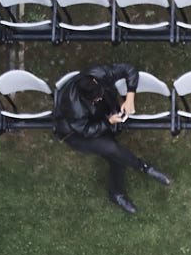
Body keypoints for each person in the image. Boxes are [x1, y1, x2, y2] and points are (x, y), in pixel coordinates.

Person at [54, 62, 171, 215]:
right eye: (95, 100)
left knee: (117, 158)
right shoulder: (73, 106)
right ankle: (144, 168)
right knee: (112, 148)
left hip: (98, 119)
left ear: (95, 81)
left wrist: (130, 97)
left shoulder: (98, 73)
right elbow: (86, 130)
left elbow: (129, 69)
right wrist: (108, 122)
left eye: (100, 94)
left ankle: (116, 194)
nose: (99, 98)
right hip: (77, 134)